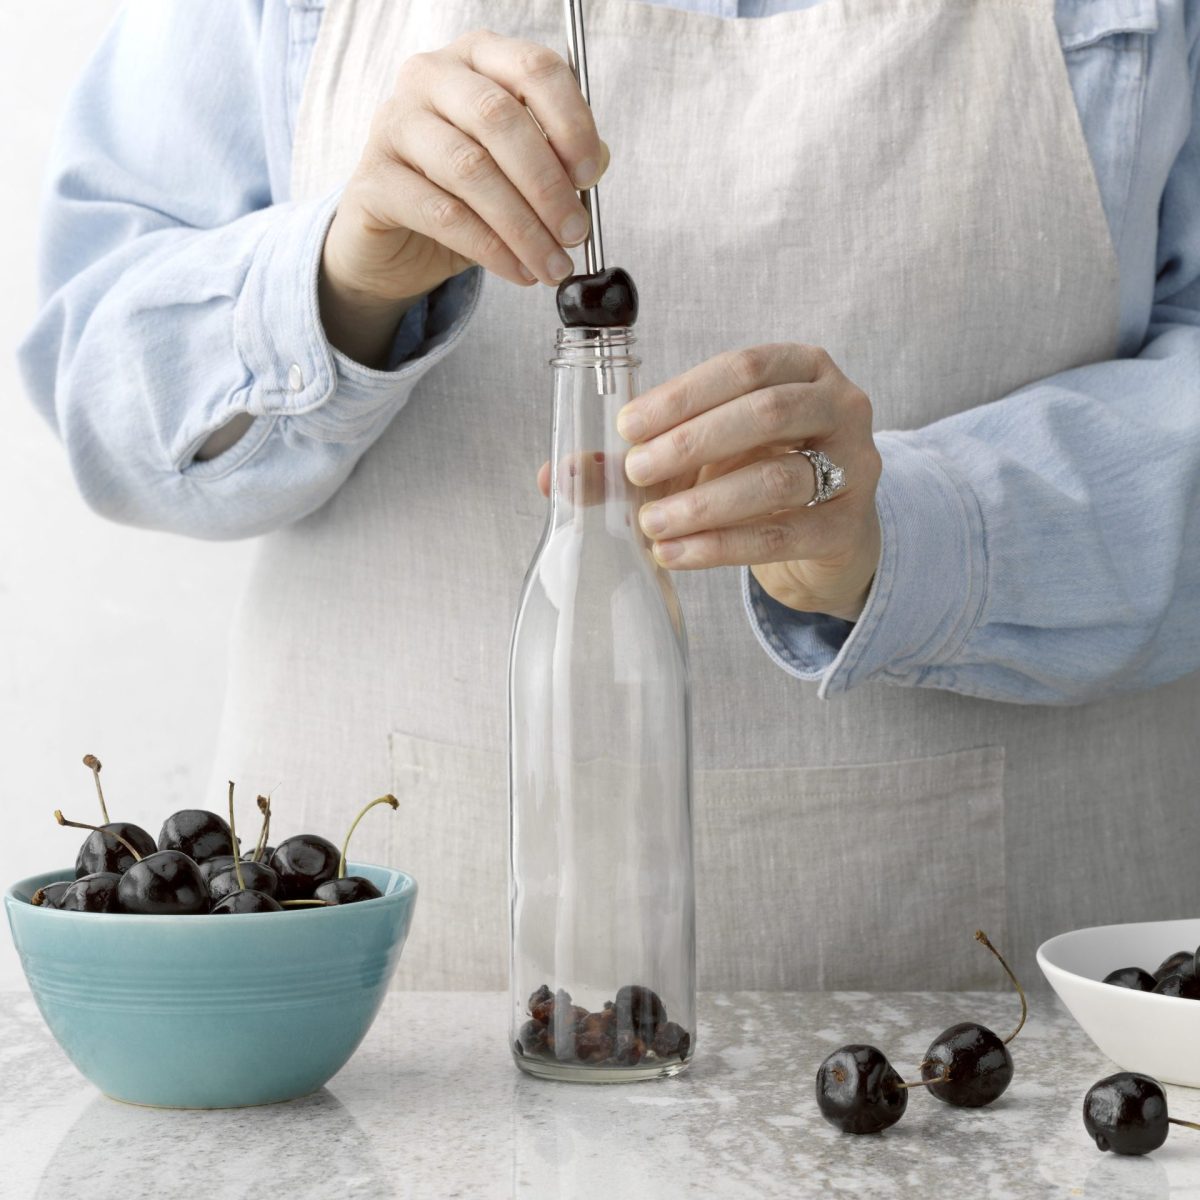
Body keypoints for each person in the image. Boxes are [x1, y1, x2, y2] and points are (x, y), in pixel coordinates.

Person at [19, 0, 1200, 990]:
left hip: (1025, 1028)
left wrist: (935, 534)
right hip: (402, 1046)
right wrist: (337, 278)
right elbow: (103, 396)